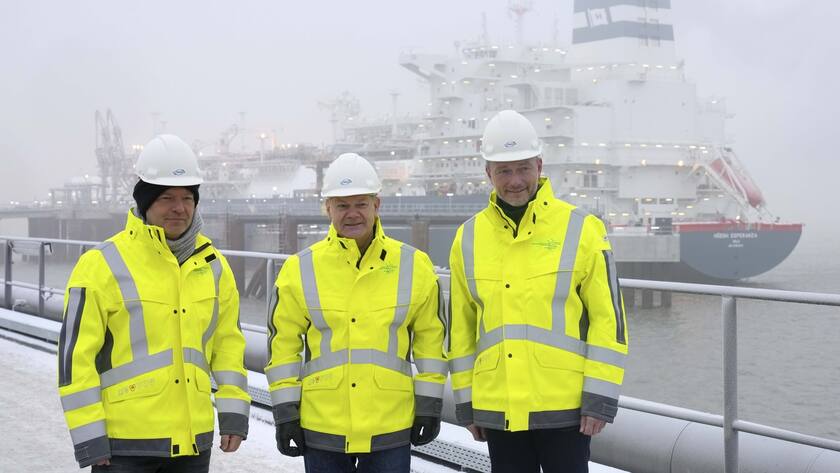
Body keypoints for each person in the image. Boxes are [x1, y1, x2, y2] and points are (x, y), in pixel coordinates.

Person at [447, 110, 628, 473]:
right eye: (504, 170)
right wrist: (466, 403)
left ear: (540, 166)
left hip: (567, 408)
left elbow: (609, 321)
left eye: (523, 168)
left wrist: (599, 398)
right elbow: (461, 330)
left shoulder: (583, 229)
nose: (515, 181)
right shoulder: (467, 237)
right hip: (499, 408)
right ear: (488, 174)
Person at [57, 134, 250, 471]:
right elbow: (76, 360)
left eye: (188, 197)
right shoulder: (101, 264)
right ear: (145, 202)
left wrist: (233, 412)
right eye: (166, 197)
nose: (179, 208)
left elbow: (228, 345)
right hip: (124, 446)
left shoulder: (213, 265)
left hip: (192, 441)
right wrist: (89, 437)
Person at [265, 153, 446, 473]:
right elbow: (283, 345)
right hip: (323, 425)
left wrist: (430, 404)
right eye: (342, 205)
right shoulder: (300, 268)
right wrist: (286, 411)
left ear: (377, 205)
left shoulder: (414, 265)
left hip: (389, 423)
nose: (352, 214)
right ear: (328, 209)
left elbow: (432, 339)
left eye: (360, 204)